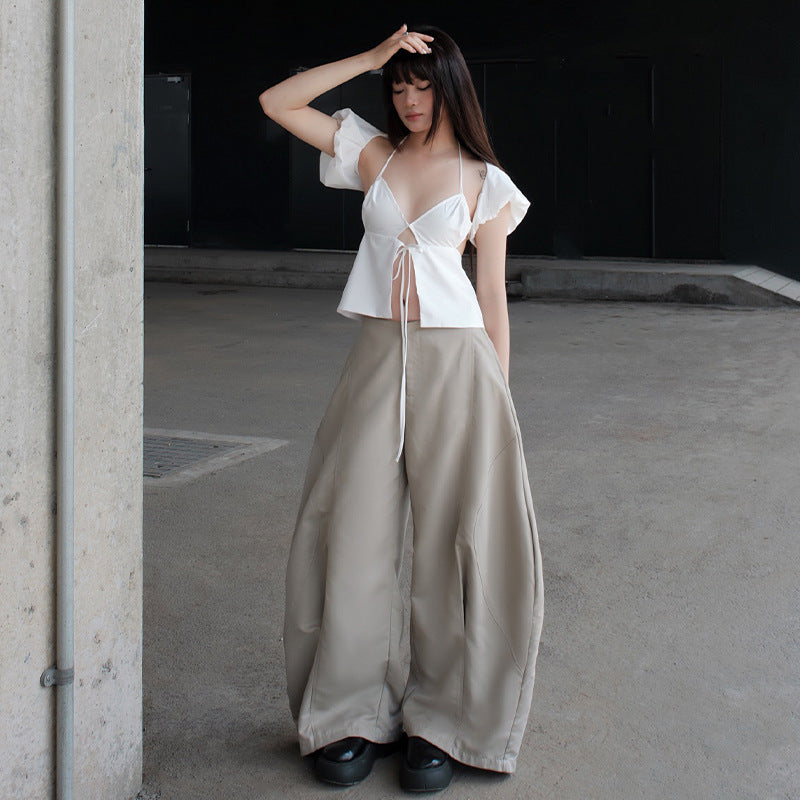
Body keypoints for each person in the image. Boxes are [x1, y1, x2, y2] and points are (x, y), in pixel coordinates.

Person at [259, 23, 544, 793]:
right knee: (350, 527)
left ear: (450, 88)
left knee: (456, 543)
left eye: (423, 86)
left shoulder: (485, 180)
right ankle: (349, 712)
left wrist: (500, 402)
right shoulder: (374, 156)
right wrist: (368, 59)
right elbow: (278, 102)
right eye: (400, 87)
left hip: (461, 367)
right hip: (378, 359)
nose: (411, 100)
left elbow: (492, 297)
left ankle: (443, 720)